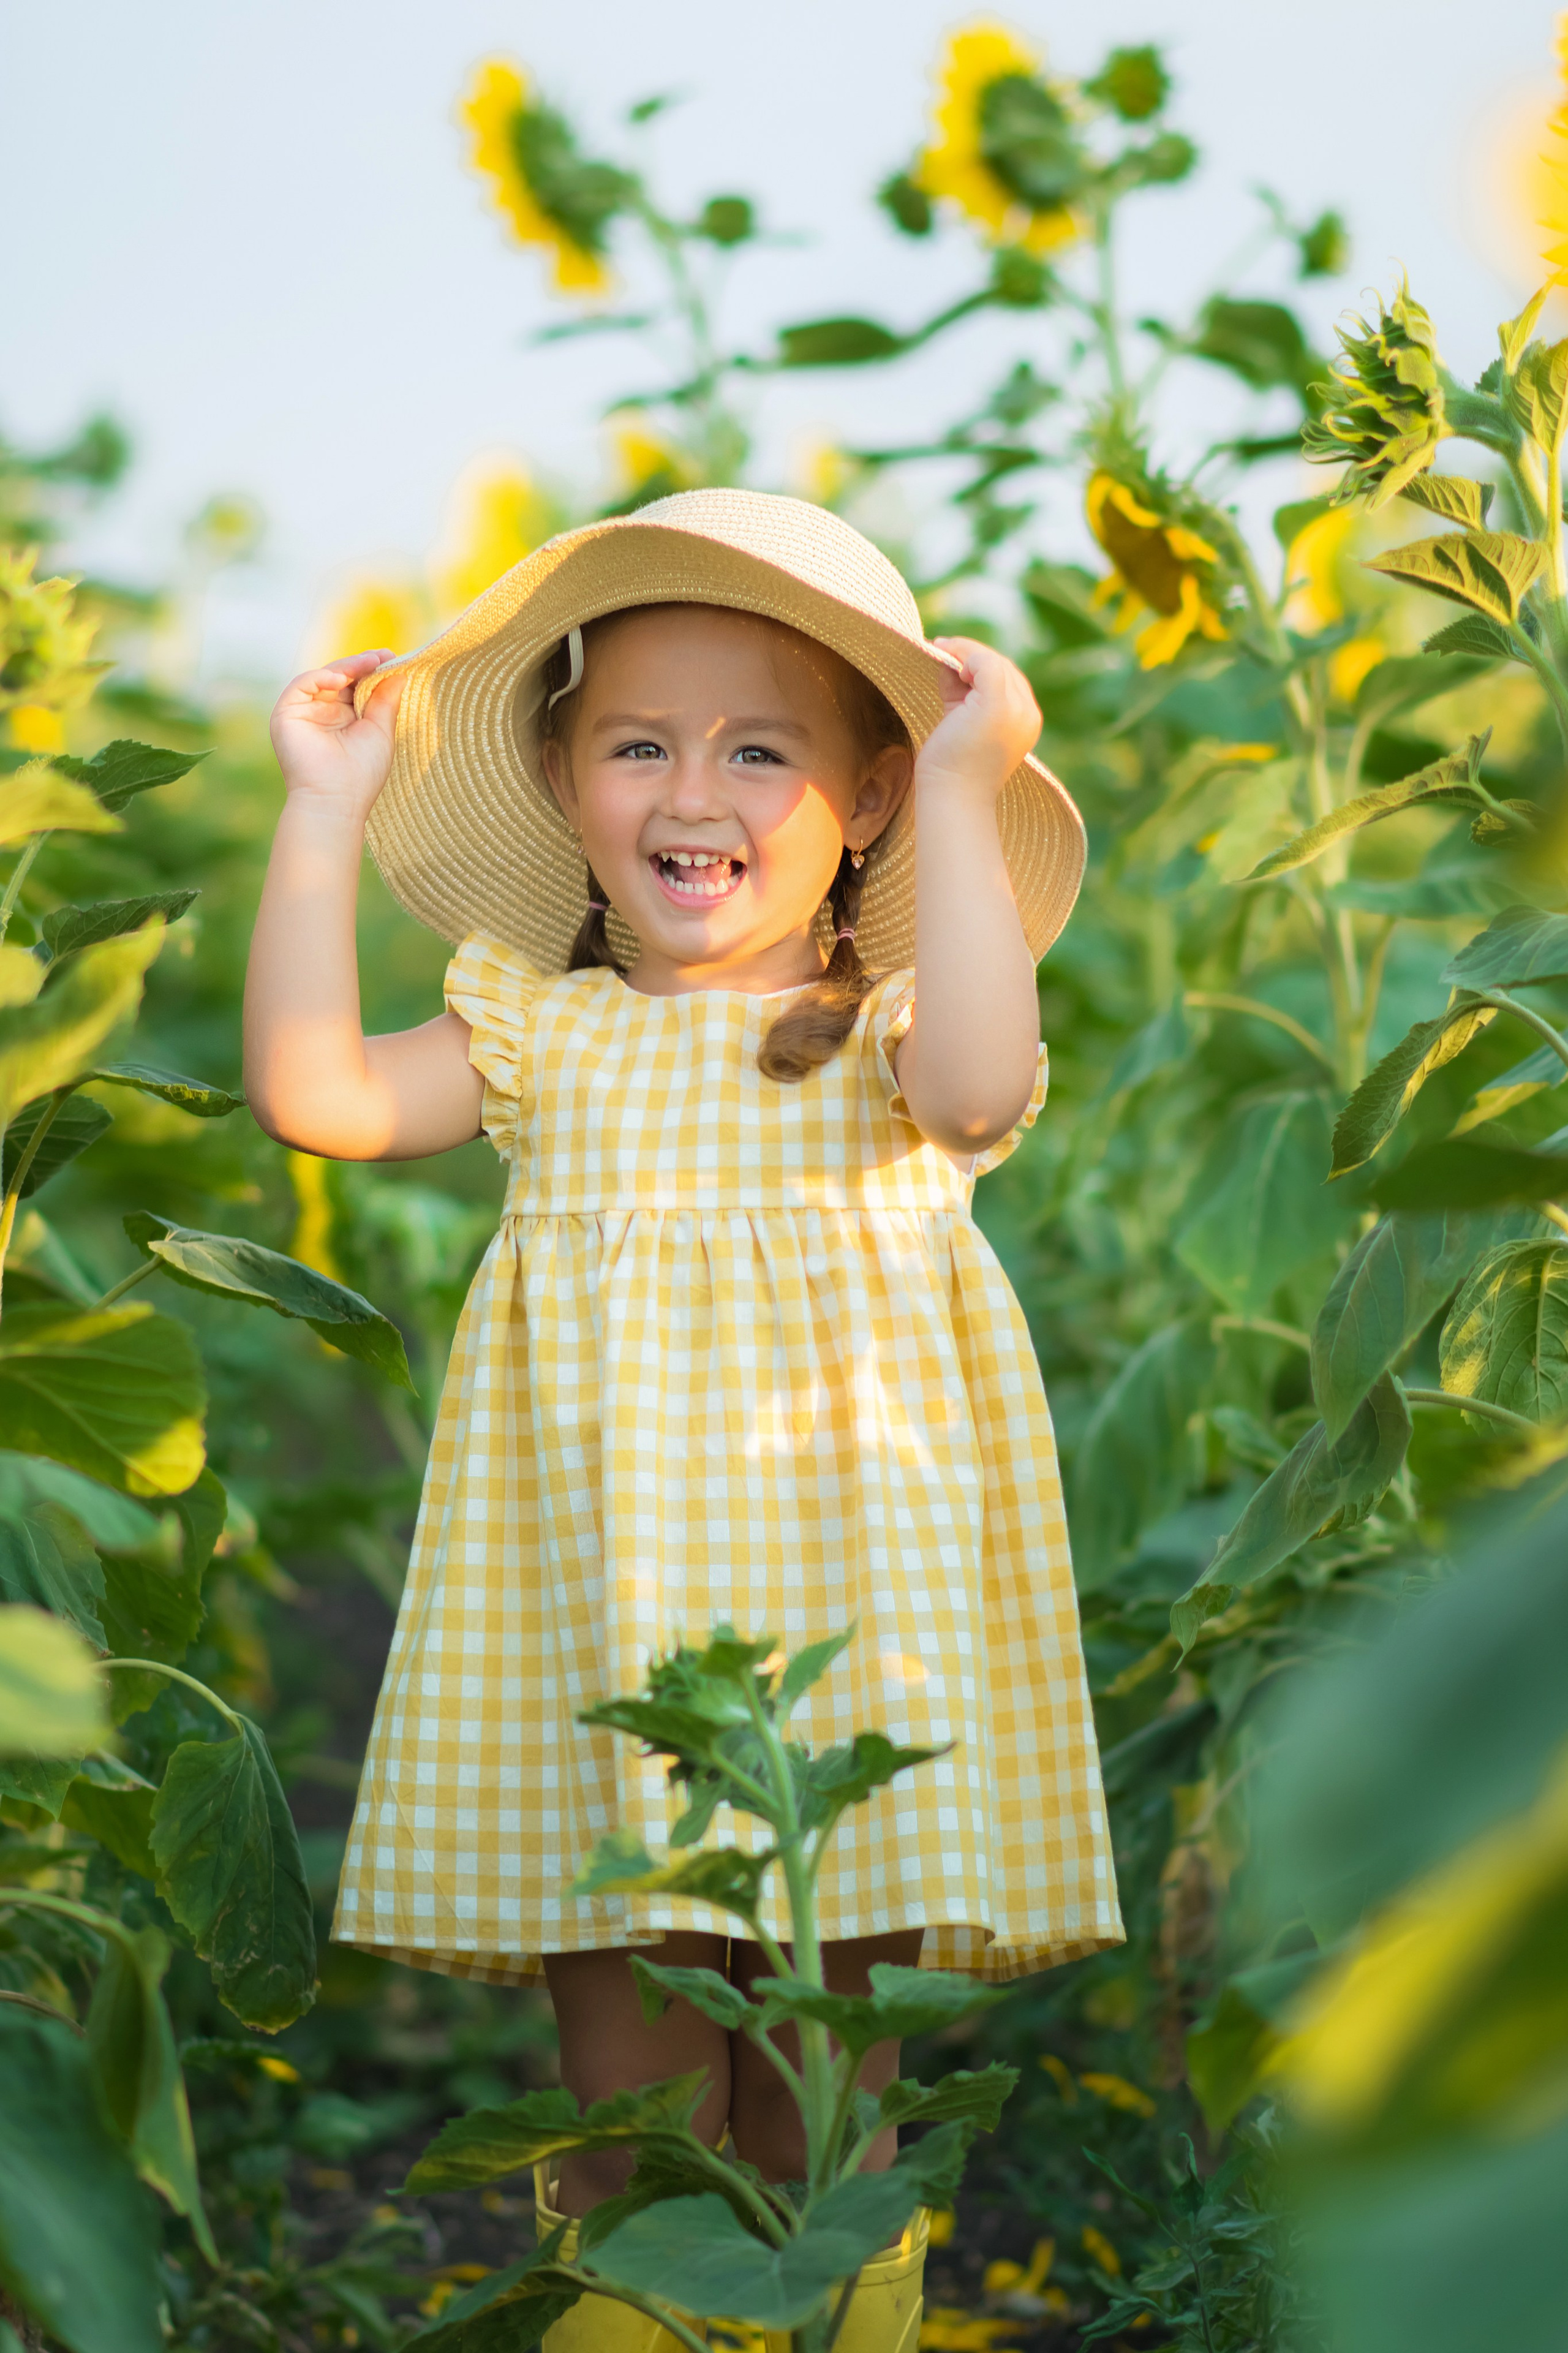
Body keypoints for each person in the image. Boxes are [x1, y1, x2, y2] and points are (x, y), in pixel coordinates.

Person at [246, 489, 1123, 2353]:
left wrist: (972, 792)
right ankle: (634, 2312)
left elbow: (982, 1091)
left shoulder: (894, 1034)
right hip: (607, 1636)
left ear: (869, 800)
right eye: (639, 745)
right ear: (569, 784)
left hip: (848, 1654)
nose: (693, 794)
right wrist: (320, 816)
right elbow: (316, 1092)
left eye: (760, 750)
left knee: (825, 2100)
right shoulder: (539, 1029)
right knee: (637, 2108)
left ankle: (837, 2315)